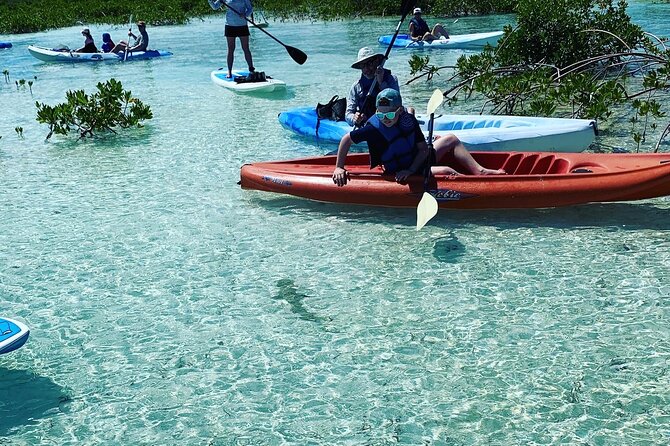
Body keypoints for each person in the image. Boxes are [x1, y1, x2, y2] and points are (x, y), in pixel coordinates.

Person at [332, 89, 504, 187]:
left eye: (390, 114)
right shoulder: (373, 128)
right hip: (399, 169)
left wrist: (412, 169)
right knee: (446, 171)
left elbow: (423, 150)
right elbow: (346, 139)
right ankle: (475, 186)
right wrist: (339, 167)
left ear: (400, 111)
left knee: (451, 138)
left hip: (417, 161)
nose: (385, 119)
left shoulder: (408, 121)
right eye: (380, 114)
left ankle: (480, 171)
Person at [346, 47, 400, 128]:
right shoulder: (356, 86)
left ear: (377, 62)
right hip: (368, 125)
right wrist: (354, 118)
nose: (366, 69)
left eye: (369, 63)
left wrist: (381, 82)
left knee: (410, 110)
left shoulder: (391, 79)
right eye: (363, 66)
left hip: (390, 123)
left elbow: (397, 103)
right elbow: (348, 114)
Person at [209, 0, 255, 79]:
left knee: (246, 48)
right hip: (230, 25)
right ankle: (229, 72)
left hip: (242, 25)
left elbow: (250, 9)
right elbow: (215, 7)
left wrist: (245, 14)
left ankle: (251, 70)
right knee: (231, 49)